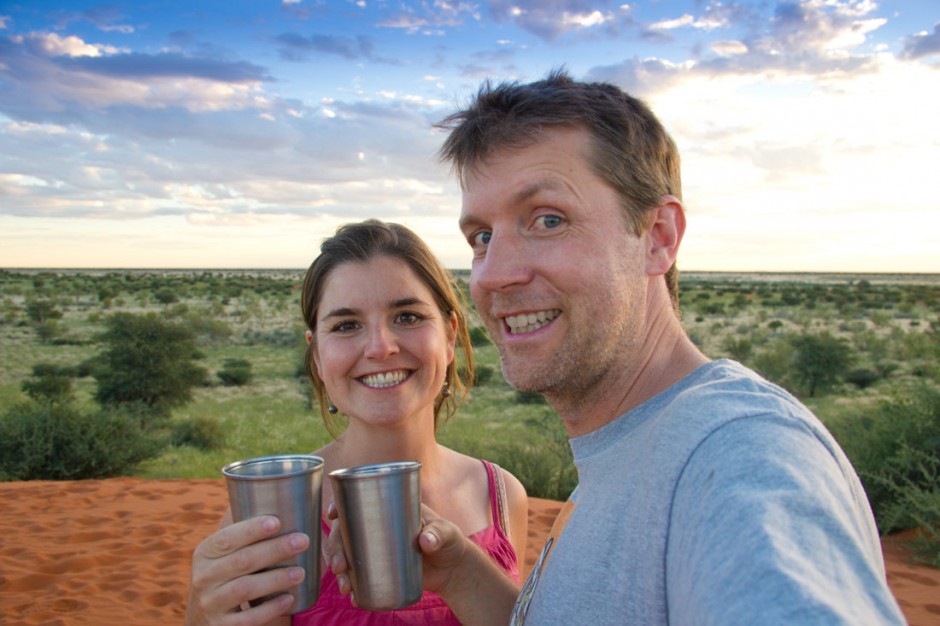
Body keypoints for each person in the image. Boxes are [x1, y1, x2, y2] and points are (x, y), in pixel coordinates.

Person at [324, 69, 908, 624]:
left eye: (547, 219)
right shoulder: (631, 454)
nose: (493, 274)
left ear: (657, 238)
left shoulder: (738, 456)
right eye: (482, 236)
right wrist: (458, 573)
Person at [185, 219, 528, 626]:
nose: (381, 347)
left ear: (450, 336)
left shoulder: (500, 496)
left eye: (408, 317)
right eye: (346, 326)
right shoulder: (276, 517)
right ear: (316, 355)